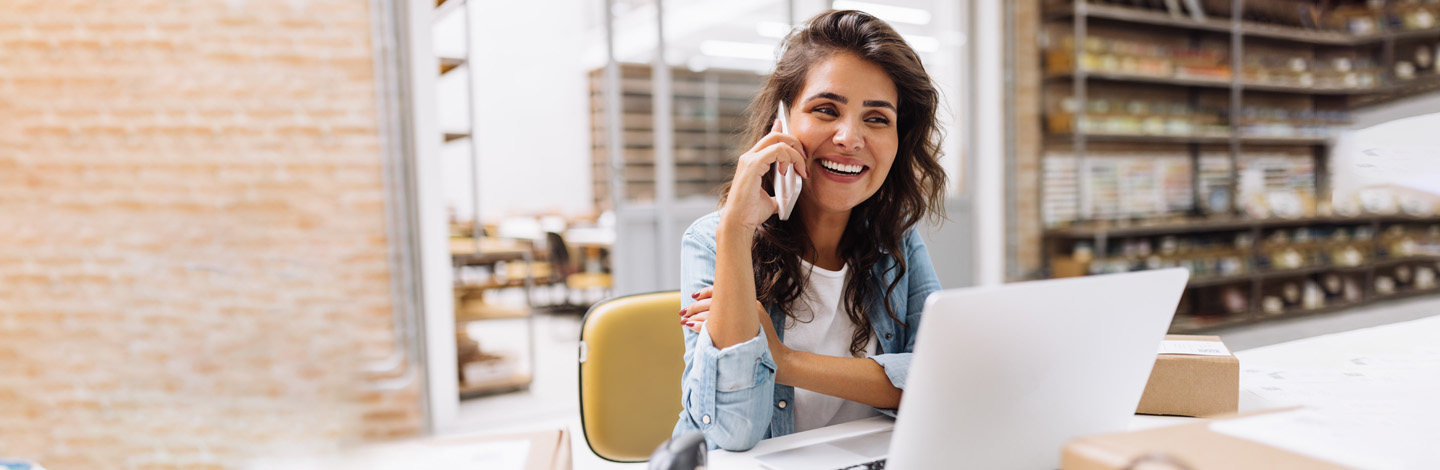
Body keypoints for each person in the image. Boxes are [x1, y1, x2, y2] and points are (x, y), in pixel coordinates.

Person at [671, 9, 949, 451]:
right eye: (825, 109)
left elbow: (937, 383)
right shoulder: (714, 239)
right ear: (780, 124)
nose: (849, 137)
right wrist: (736, 230)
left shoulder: (895, 242)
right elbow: (731, 431)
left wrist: (782, 360)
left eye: (877, 118)